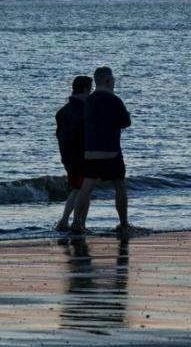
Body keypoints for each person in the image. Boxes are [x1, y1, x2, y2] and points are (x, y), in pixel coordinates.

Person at [71, 66, 133, 233]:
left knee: (86, 187)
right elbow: (126, 122)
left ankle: (76, 223)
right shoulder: (114, 100)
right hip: (111, 151)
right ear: (107, 80)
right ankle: (123, 223)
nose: (114, 82)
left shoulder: (88, 101)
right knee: (120, 185)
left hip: (91, 152)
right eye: (113, 80)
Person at [54, 75, 93, 231]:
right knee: (84, 190)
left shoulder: (62, 111)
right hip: (83, 156)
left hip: (67, 156)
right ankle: (78, 223)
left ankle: (66, 221)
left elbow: (59, 134)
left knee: (77, 189)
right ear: (85, 89)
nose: (91, 93)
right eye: (90, 89)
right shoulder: (85, 110)